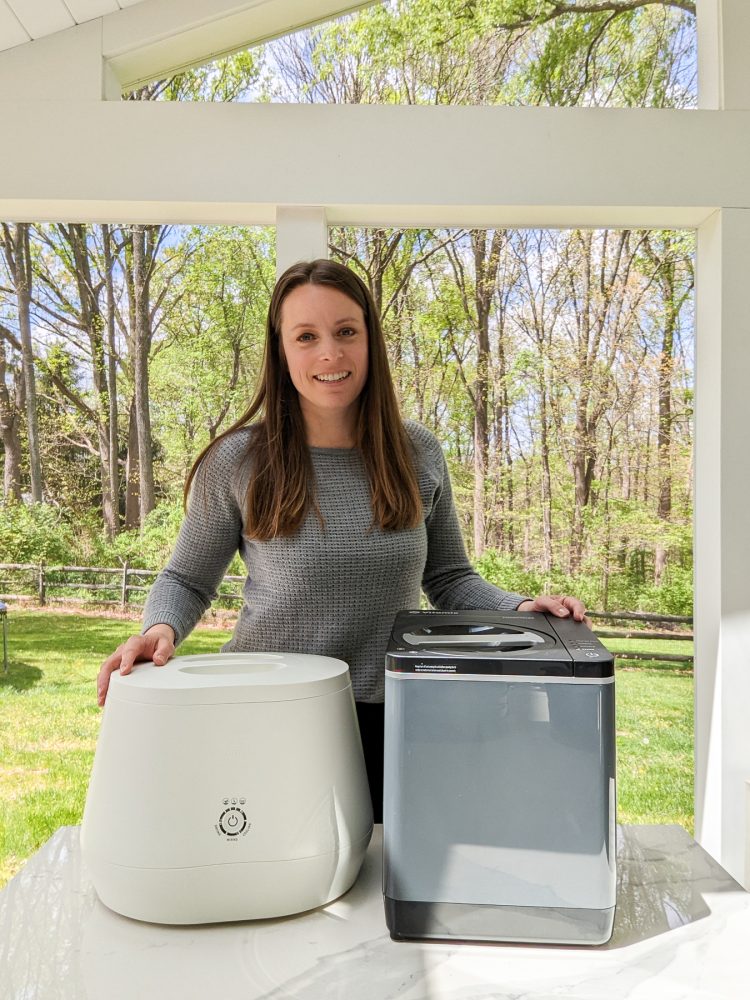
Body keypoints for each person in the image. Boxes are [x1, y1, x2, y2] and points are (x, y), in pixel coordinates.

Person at [97, 259, 588, 820]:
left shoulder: (418, 453)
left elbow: (450, 578)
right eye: (306, 337)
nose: (329, 353)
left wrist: (521, 608)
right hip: (268, 714)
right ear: (281, 351)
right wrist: (157, 629)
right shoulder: (237, 460)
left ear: (370, 341)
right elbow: (185, 578)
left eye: (346, 331)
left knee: (381, 884)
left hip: (398, 716)